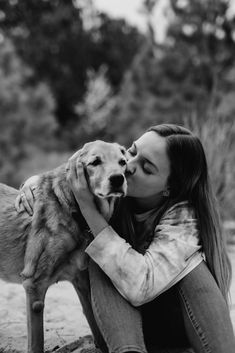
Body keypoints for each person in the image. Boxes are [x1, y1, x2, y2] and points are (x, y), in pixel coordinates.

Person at [17, 124, 235, 353]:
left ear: (170, 188)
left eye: (147, 168)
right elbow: (75, 168)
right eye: (131, 151)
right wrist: (35, 183)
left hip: (177, 328)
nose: (128, 166)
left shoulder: (183, 219)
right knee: (101, 255)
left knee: (190, 266)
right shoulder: (111, 188)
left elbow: (141, 285)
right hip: (121, 331)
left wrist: (88, 209)